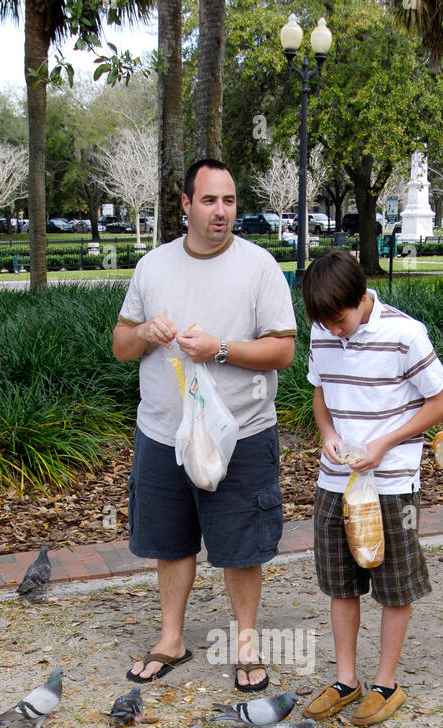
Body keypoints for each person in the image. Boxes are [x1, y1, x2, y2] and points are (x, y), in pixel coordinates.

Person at [112, 159, 297, 691]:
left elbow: (282, 350)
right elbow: (122, 347)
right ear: (187, 206)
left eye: (230, 201)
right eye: (211, 201)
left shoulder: (259, 267)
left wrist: (220, 349)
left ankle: (245, 643)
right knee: (170, 540)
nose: (222, 212)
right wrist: (146, 329)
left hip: (241, 431)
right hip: (163, 433)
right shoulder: (153, 266)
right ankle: (171, 638)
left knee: (242, 544)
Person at [300, 251, 443, 726]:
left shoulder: (405, 333)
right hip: (337, 481)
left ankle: (387, 684)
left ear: (361, 297)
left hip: (391, 483)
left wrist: (385, 443)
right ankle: (347, 680)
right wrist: (327, 435)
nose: (334, 330)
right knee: (340, 584)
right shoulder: (323, 331)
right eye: (324, 322)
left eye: (339, 320)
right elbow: (320, 392)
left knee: (393, 585)